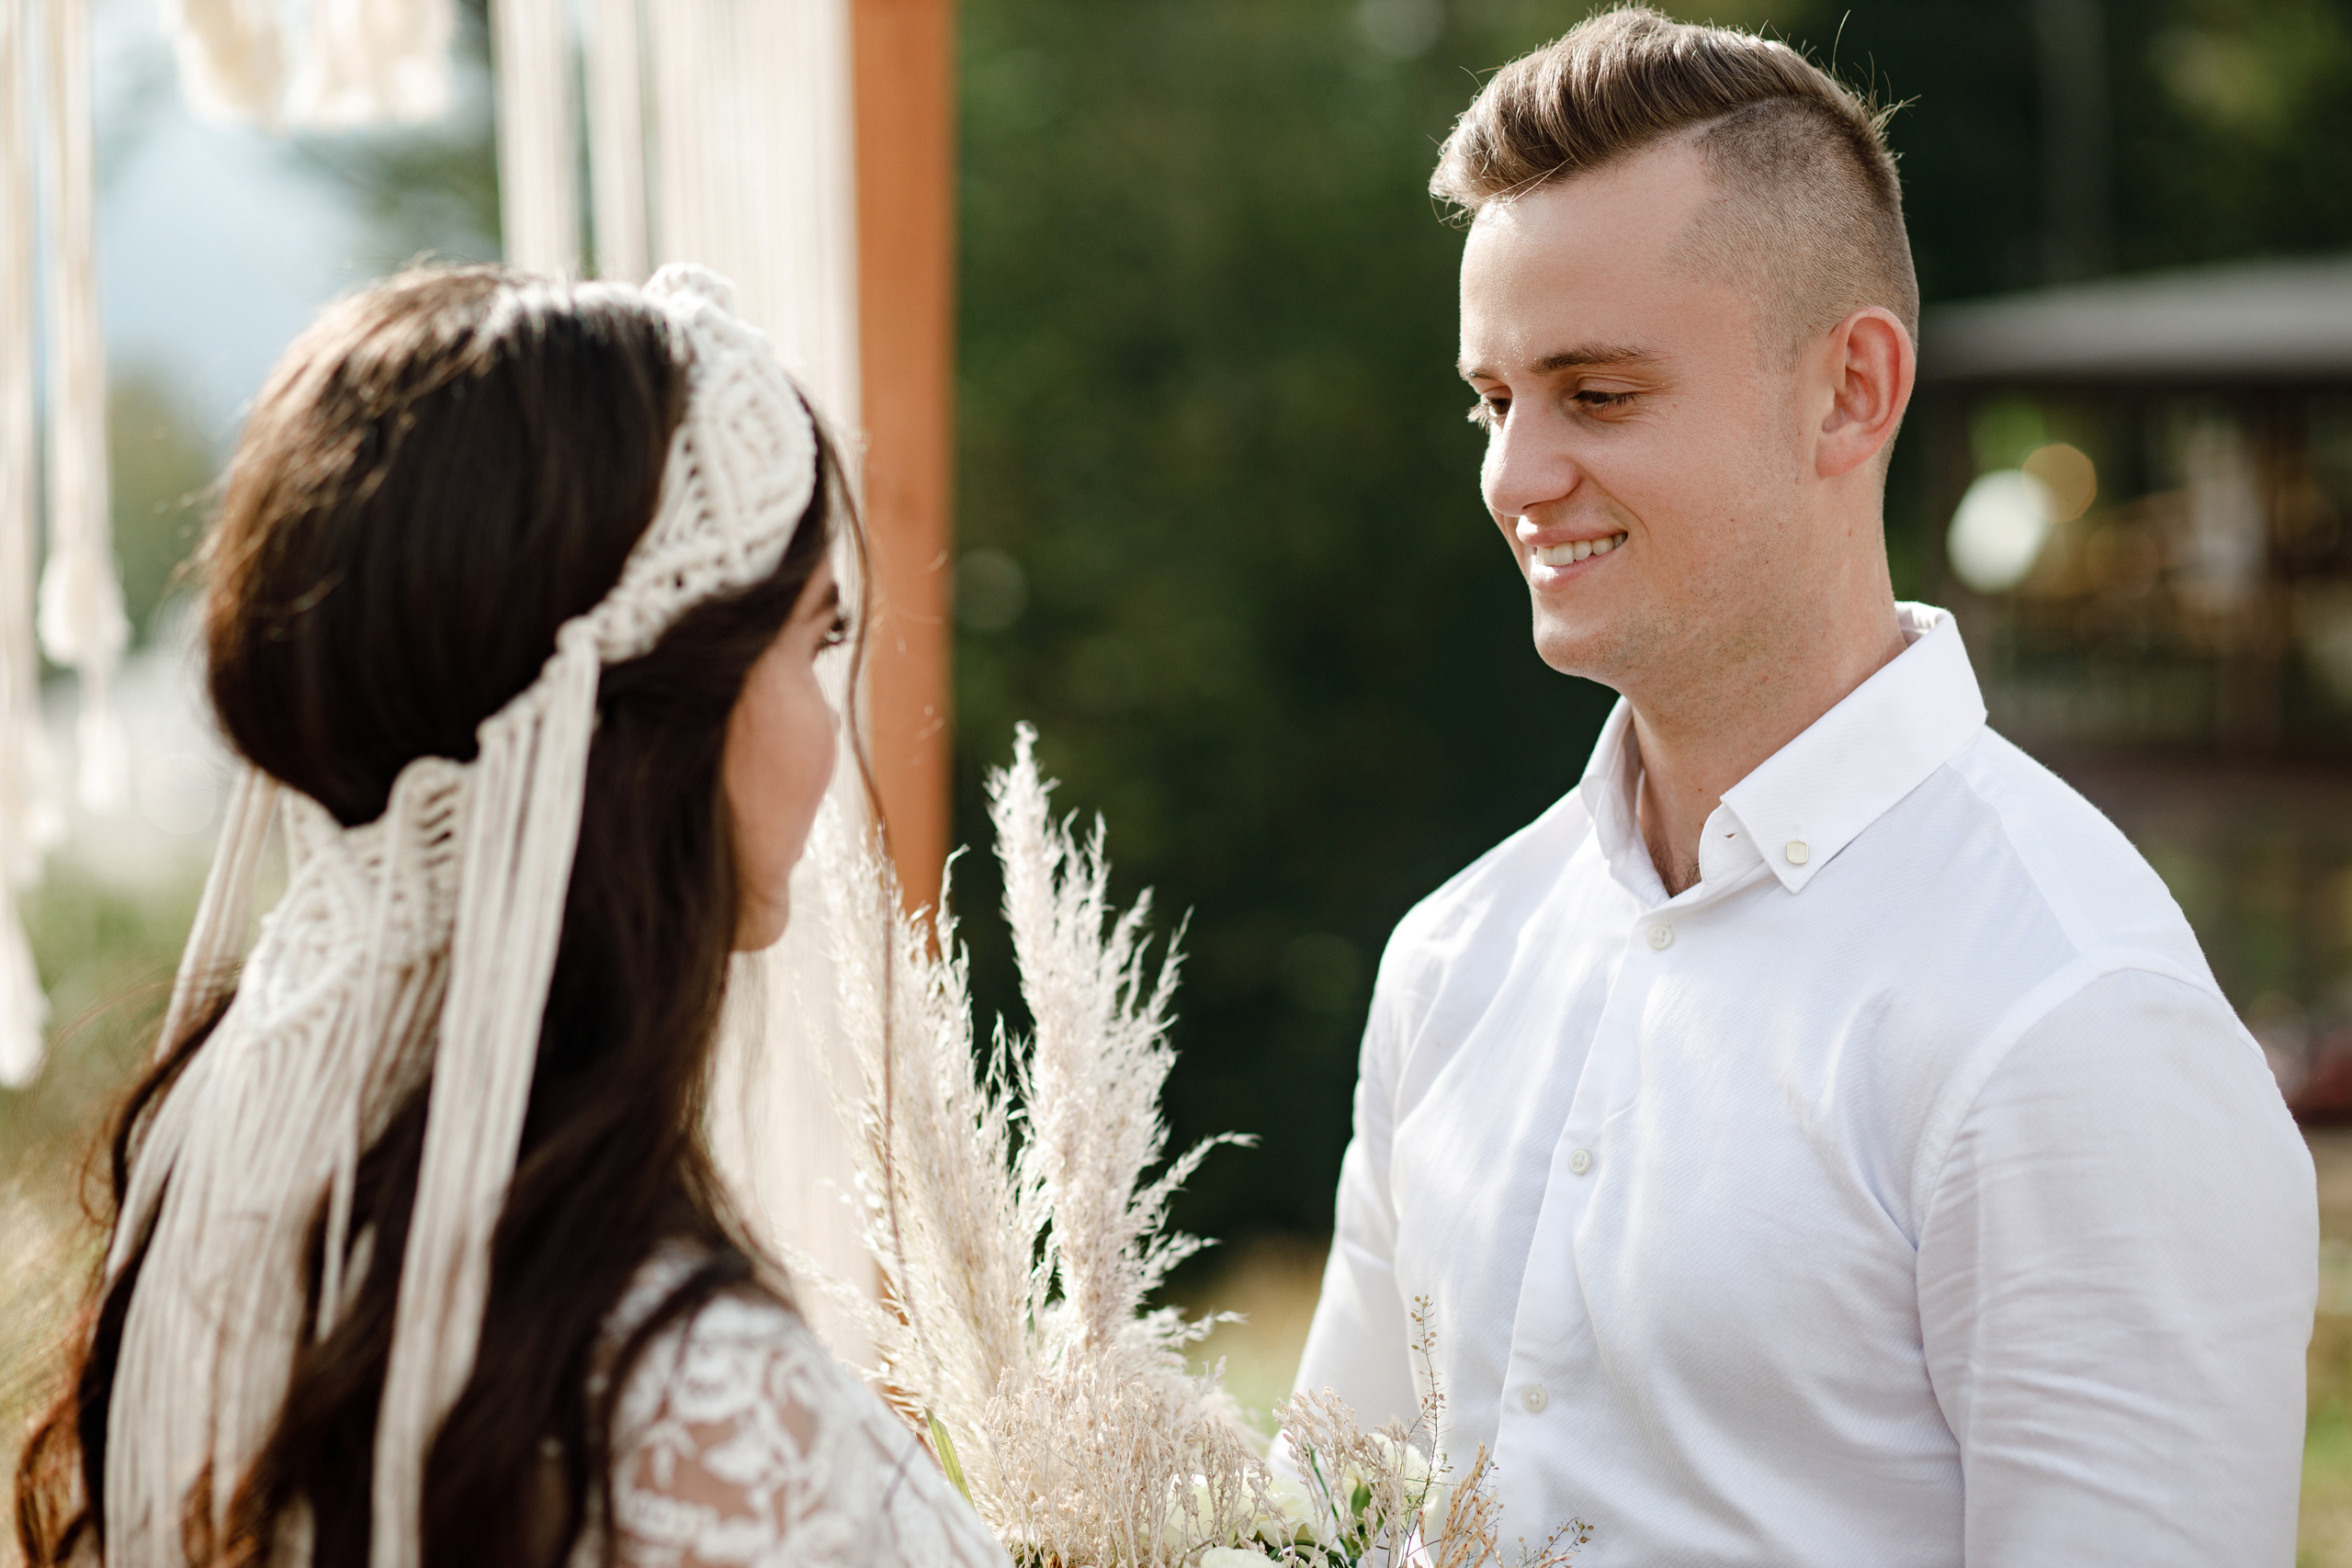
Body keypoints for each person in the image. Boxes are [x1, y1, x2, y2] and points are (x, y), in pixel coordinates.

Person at [1293, 9, 2318, 1564]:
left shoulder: (2070, 1009)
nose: (1512, 475)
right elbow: (1324, 1520)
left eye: (1600, 393)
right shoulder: (1449, 961)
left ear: (1851, 390)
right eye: (1493, 399)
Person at [15, 266, 1006, 1568]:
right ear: (653, 712)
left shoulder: (232, 1220)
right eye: (814, 644)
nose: (832, 729)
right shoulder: (684, 1398)